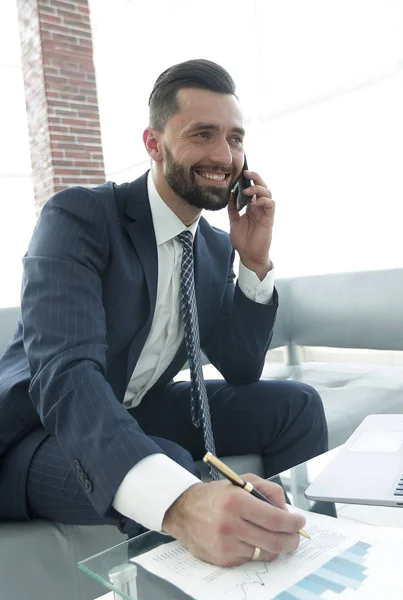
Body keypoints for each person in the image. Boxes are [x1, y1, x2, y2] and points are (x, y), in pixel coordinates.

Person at [0, 59, 328, 567]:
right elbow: (66, 375)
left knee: (297, 405)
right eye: (203, 134)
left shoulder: (216, 248)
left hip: (140, 404)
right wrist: (183, 500)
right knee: (168, 468)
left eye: (236, 138)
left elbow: (241, 368)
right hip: (39, 431)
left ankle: (313, 551)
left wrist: (255, 262)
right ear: (153, 144)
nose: (225, 155)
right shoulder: (78, 217)